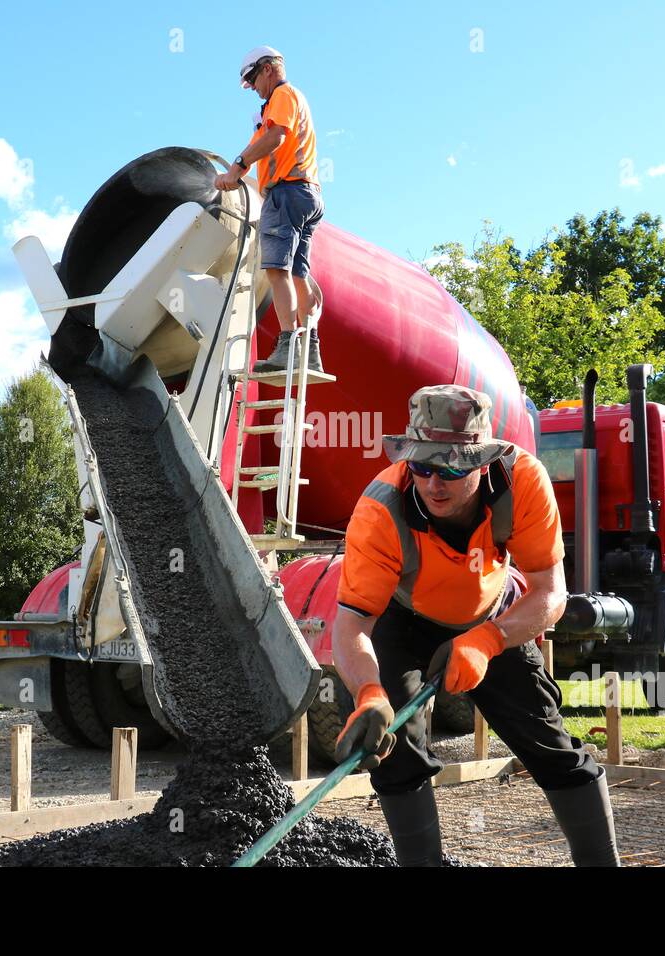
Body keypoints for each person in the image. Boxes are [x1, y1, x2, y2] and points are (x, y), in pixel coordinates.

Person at [331, 385, 621, 867]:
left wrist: (489, 640)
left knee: (549, 746)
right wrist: (368, 692)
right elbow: (352, 624)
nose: (434, 484)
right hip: (404, 620)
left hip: (491, 618)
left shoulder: (522, 482)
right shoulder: (381, 509)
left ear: (483, 464)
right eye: (422, 467)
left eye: (451, 469)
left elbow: (551, 593)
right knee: (397, 755)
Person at [214, 45, 325, 374]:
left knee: (277, 271)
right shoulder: (279, 106)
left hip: (286, 193)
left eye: (252, 79)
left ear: (267, 69)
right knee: (298, 274)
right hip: (307, 194)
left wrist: (237, 166)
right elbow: (261, 143)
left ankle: (288, 347)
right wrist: (235, 171)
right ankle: (310, 349)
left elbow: (275, 137)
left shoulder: (282, 95)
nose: (252, 87)